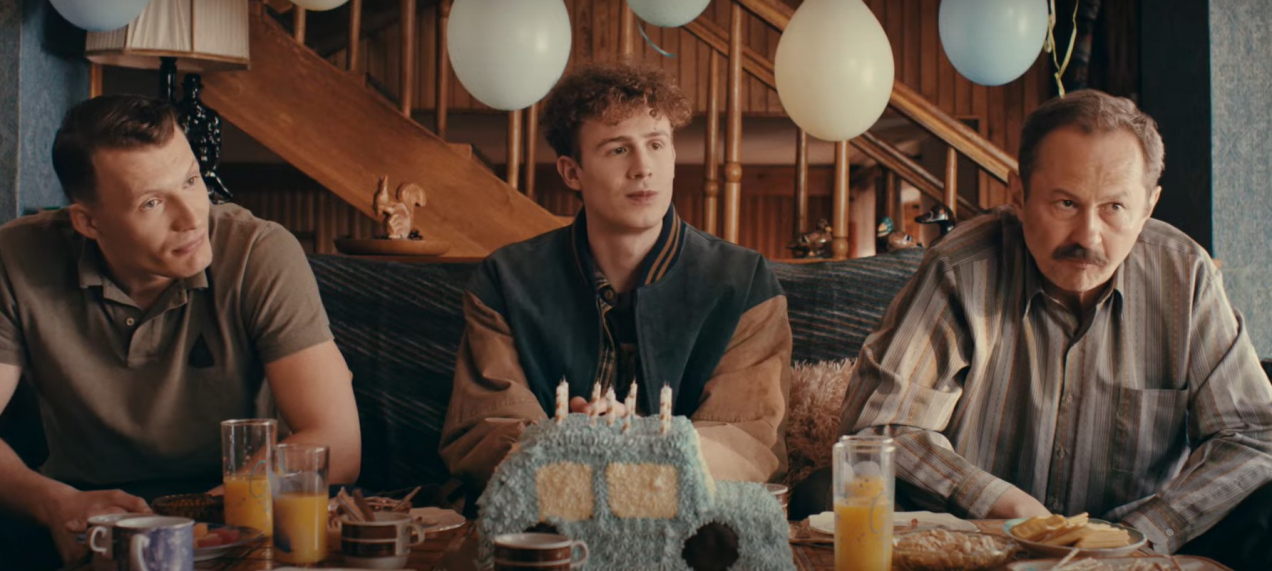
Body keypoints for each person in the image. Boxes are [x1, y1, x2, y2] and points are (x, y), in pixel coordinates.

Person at [838, 89, 1272, 567]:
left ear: (1148, 207)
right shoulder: (959, 270)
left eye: (1114, 207)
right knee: (831, 491)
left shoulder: (1187, 276)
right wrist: (1005, 506)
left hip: (1139, 544)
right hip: (981, 535)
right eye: (1066, 203)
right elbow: (878, 425)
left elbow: (1253, 434)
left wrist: (1145, 532)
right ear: (1019, 196)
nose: (1088, 236)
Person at [0, 95, 362, 568]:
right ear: (88, 221)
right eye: (152, 202)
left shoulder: (258, 252)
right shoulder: (17, 256)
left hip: (236, 509)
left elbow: (338, 442)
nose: (192, 218)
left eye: (191, 181)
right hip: (86, 514)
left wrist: (191, 524)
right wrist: (54, 504)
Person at [440, 63, 792, 491]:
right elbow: (484, 429)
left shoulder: (743, 281)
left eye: (656, 144)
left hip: (687, 511)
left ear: (673, 157)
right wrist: (569, 443)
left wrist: (644, 444)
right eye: (618, 149)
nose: (643, 168)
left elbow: (750, 440)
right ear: (572, 172)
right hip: (550, 505)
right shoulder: (506, 281)